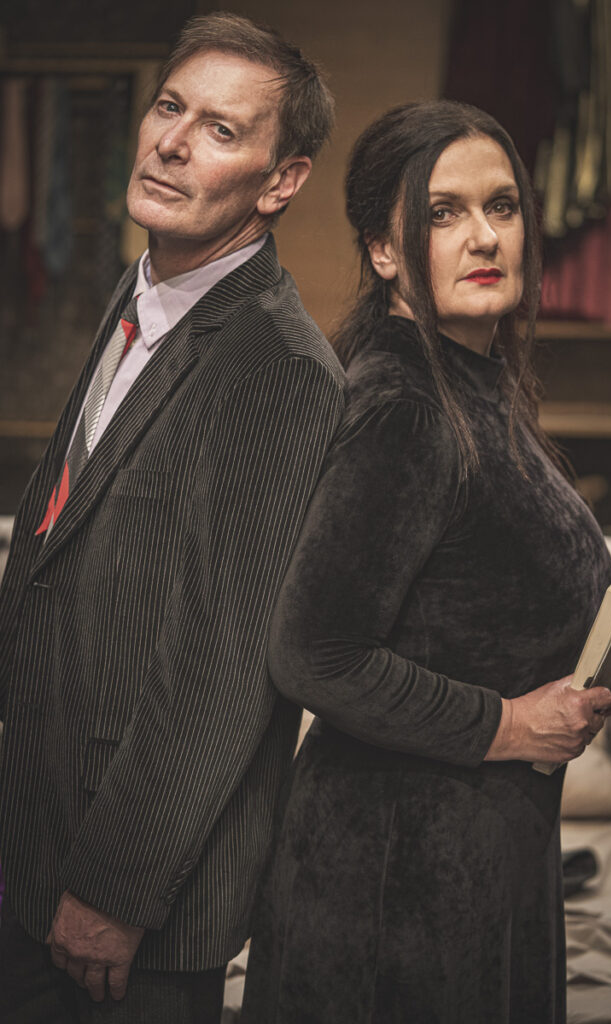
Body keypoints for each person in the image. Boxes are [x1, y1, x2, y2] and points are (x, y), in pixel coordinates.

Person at [241, 100, 611, 1024]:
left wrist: (592, 665)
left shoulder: (473, 381)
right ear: (383, 250)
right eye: (442, 212)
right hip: (392, 883)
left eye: (501, 206)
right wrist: (510, 723)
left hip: (472, 860)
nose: (484, 236)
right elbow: (313, 654)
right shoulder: (403, 407)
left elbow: (465, 609)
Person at [0, 12, 344, 1023]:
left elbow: (220, 671)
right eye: (169, 107)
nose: (173, 142)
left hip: (129, 895)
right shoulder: (144, 286)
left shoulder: (278, 368)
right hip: (37, 835)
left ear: (280, 181)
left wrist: (112, 892)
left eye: (221, 130)